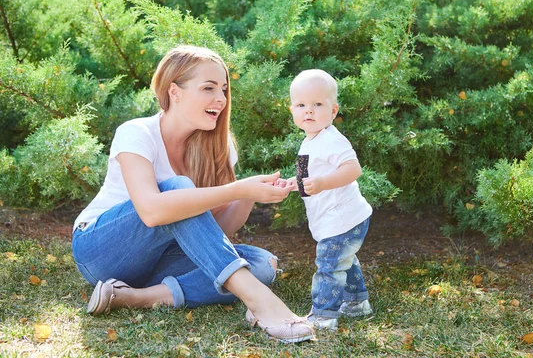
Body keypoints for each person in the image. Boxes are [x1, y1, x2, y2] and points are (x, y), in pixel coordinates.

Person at [71, 45, 314, 343]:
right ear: (175, 92)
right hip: (101, 251)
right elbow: (152, 211)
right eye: (208, 88)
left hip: (160, 259)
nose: (221, 99)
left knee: (263, 264)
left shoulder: (219, 147)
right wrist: (237, 188)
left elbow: (216, 232)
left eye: (223, 89)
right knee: (179, 189)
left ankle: (136, 297)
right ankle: (262, 303)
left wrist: (249, 194)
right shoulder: (136, 133)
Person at [286, 69, 374, 330]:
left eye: (317, 104)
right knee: (344, 260)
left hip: (343, 218)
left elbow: (352, 169)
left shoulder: (332, 140)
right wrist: (295, 183)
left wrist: (323, 183)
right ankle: (358, 302)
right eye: (301, 105)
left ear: (333, 111)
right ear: (292, 111)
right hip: (333, 219)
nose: (308, 111)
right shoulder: (309, 141)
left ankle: (324, 315)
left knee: (329, 265)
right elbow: (310, 177)